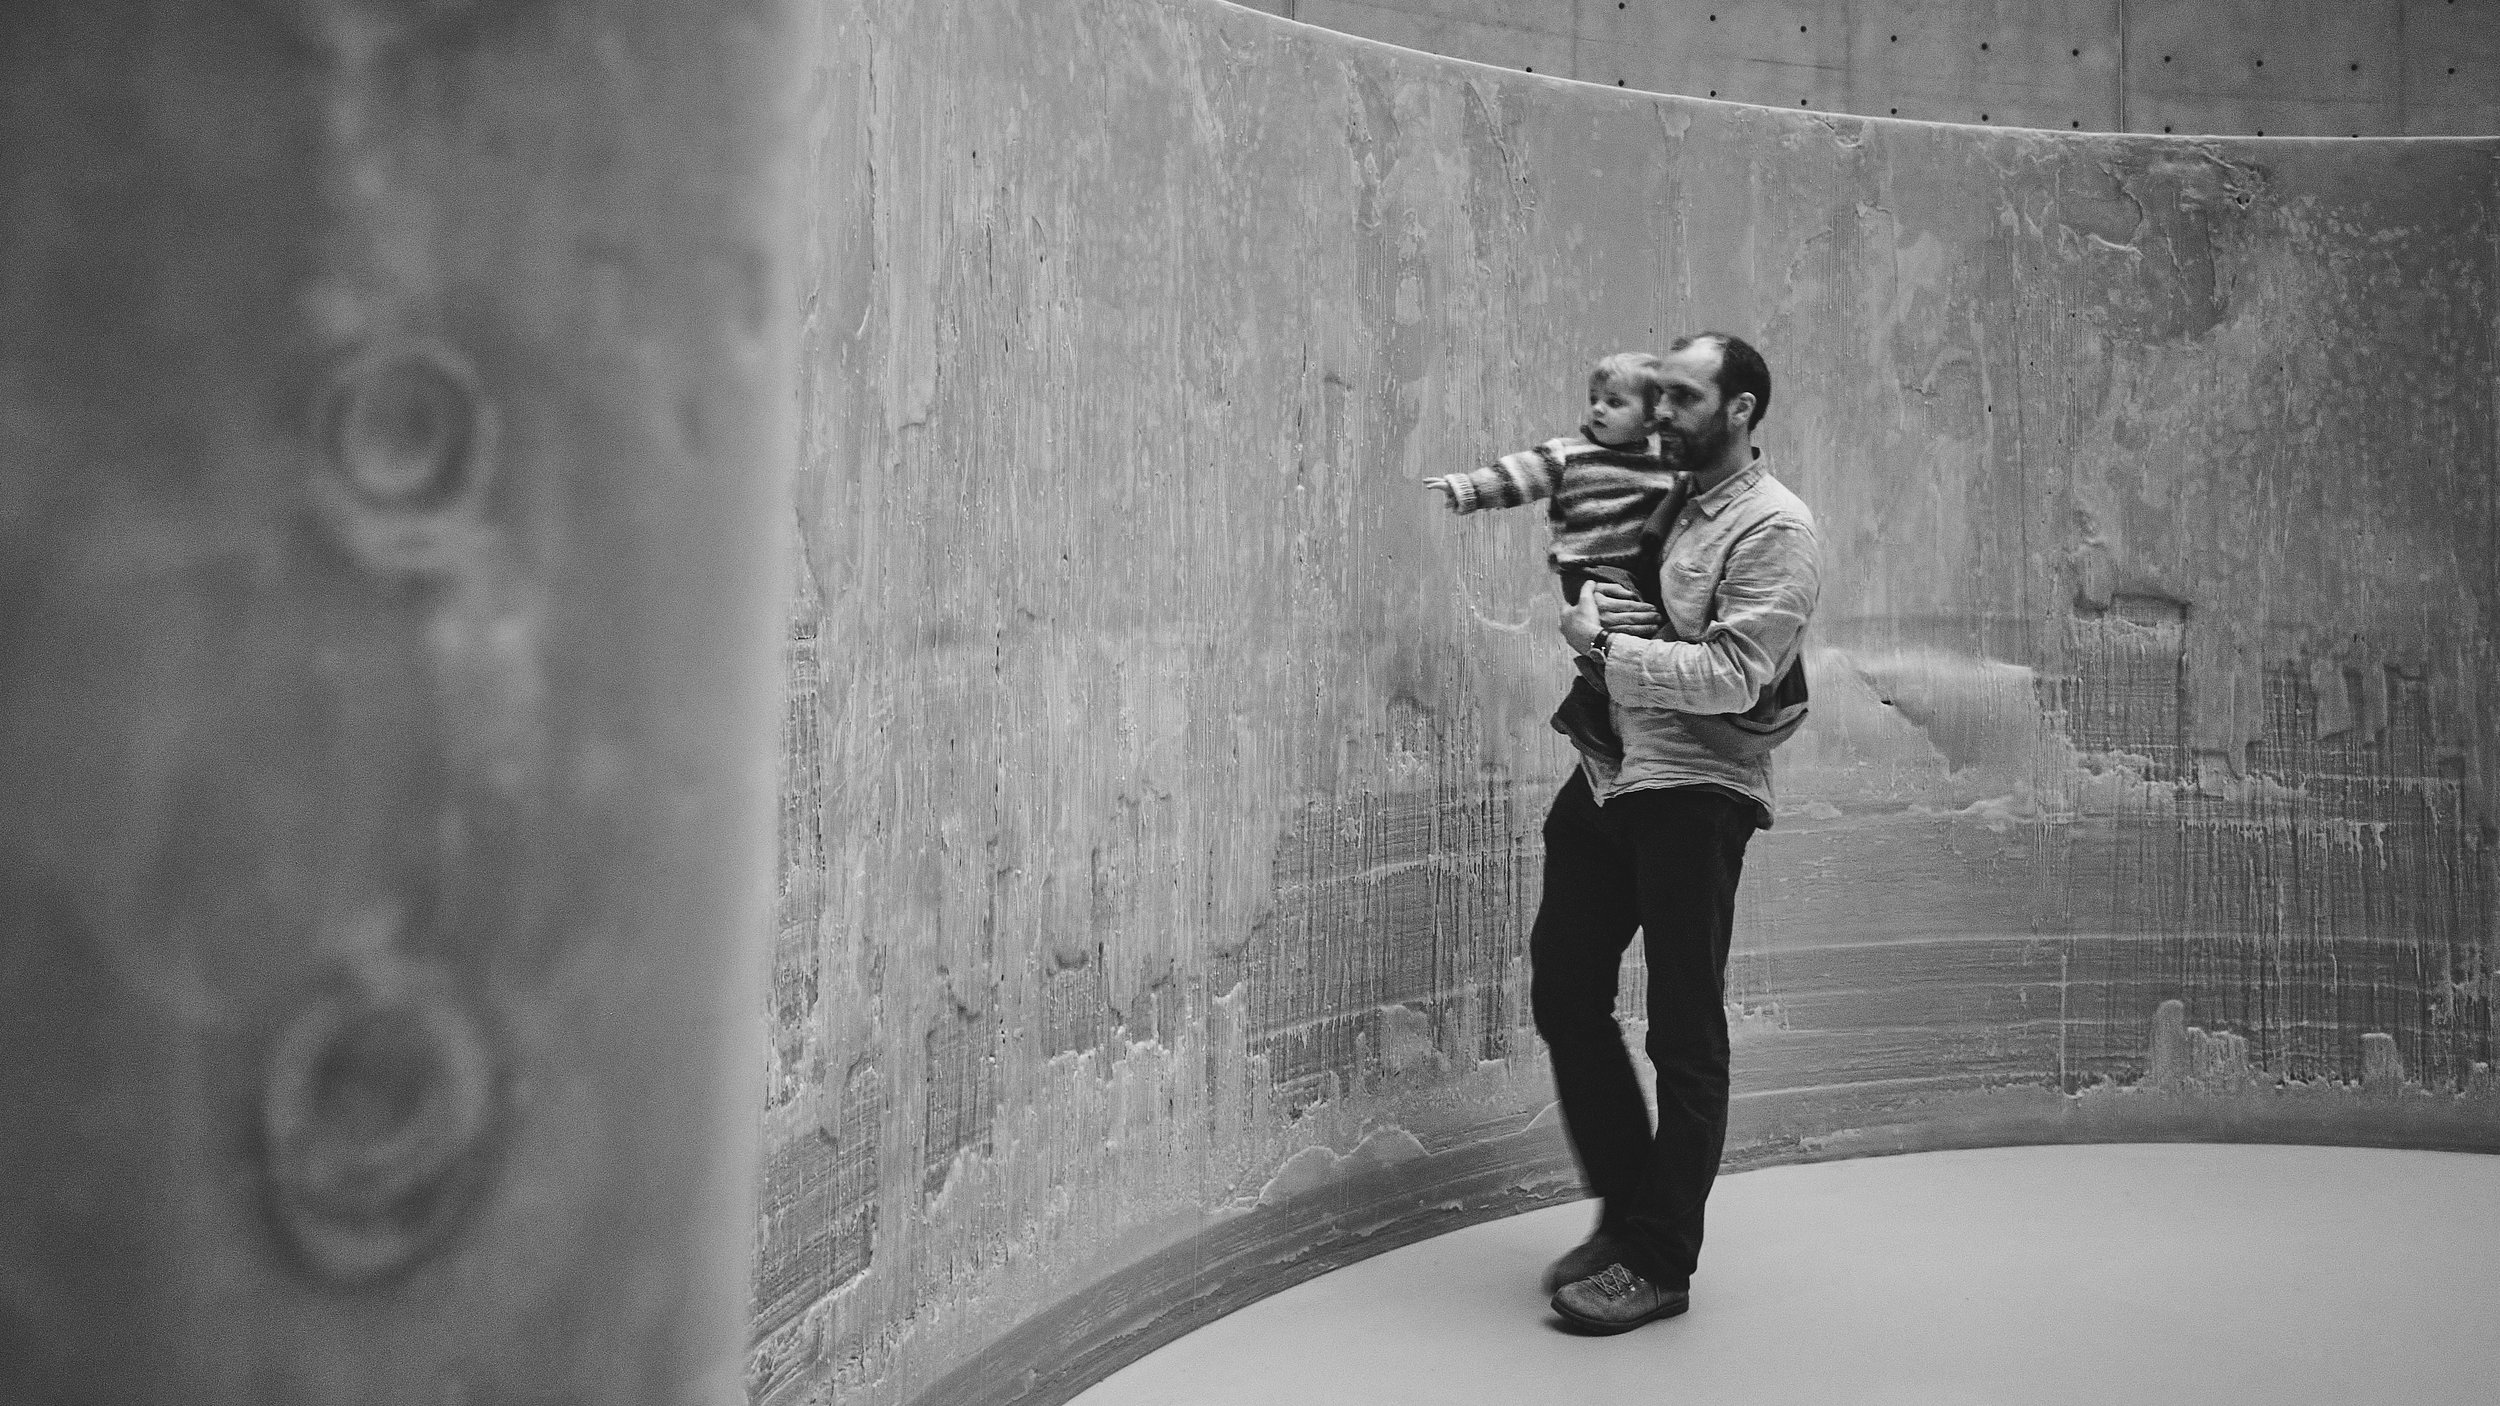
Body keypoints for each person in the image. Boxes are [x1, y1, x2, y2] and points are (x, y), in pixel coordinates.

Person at [1531, 332, 1821, 1334]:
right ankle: (1627, 1208)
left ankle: (1658, 1261)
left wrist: (1605, 648)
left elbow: (1736, 676)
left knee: (1684, 1034)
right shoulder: (1661, 494)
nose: (1660, 411)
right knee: (1564, 987)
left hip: (1695, 791)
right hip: (1609, 771)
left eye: (1683, 396)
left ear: (1739, 409)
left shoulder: (1774, 528)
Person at [1422, 352, 1687, 761]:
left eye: (1615, 402)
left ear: (1652, 419)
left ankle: (1617, 718)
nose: (1598, 407)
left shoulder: (1664, 466)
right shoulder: (1569, 455)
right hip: (1587, 569)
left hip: (1640, 572)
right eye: (1595, 397)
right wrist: (1467, 489)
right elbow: (1517, 475)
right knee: (1619, 637)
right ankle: (1591, 713)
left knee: (1644, 636)